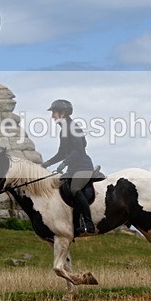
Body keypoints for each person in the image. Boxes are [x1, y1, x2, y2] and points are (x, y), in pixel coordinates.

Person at [41, 99, 97, 237]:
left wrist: (64, 164)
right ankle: (73, 224)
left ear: (63, 113)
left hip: (83, 167)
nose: (52, 116)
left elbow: (78, 150)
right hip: (72, 168)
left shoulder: (74, 127)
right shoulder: (63, 131)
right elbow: (61, 153)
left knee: (74, 189)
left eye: (54, 112)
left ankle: (89, 223)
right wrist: (47, 163)